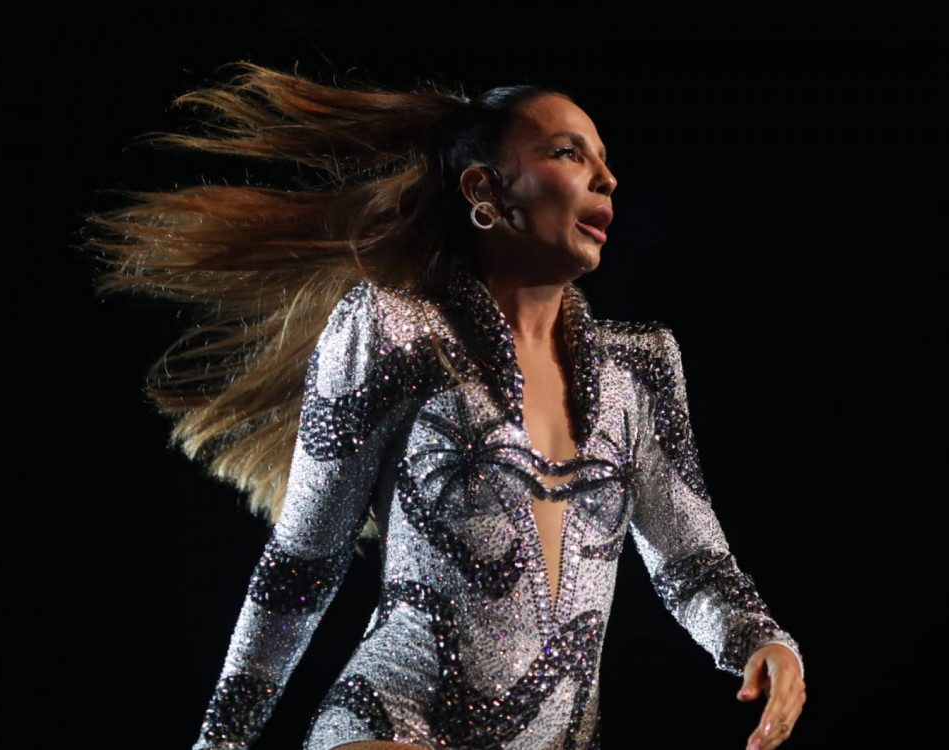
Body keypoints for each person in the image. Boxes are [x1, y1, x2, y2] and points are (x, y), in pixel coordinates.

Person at [87, 62, 806, 750]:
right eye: (568, 152)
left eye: (606, 159)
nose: (608, 177)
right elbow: (304, 565)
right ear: (485, 190)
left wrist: (762, 638)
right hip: (392, 718)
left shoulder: (640, 367)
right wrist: (223, 737)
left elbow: (693, 562)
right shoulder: (392, 331)